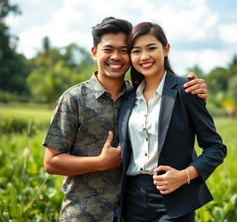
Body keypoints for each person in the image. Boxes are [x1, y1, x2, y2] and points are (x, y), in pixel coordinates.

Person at [43, 17, 209, 222]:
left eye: (124, 50)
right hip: (85, 213)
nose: (116, 57)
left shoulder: (137, 94)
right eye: (108, 49)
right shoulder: (74, 98)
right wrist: (100, 162)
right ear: (94, 52)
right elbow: (51, 162)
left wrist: (193, 91)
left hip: (129, 211)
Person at [118, 22, 227, 222]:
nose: (144, 57)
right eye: (136, 51)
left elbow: (216, 148)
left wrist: (184, 175)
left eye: (151, 48)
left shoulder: (186, 90)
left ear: (166, 49)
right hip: (132, 199)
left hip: (175, 198)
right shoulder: (127, 96)